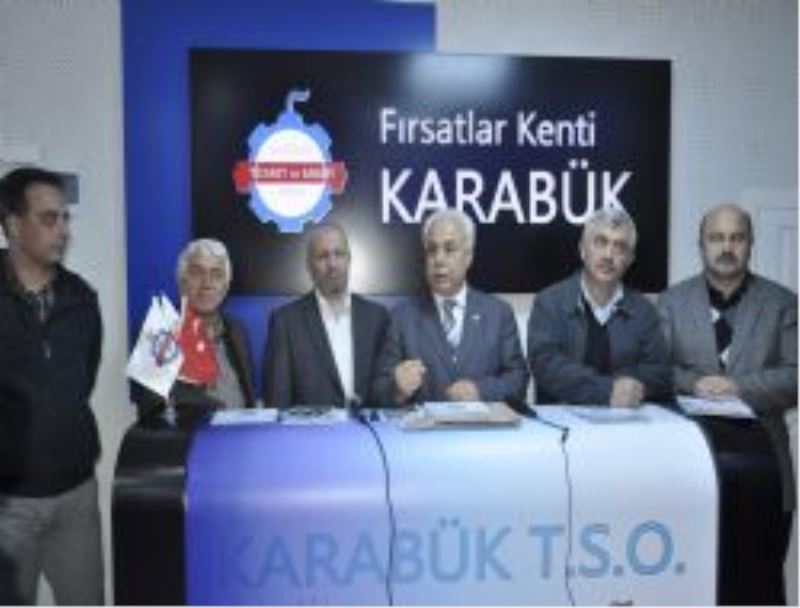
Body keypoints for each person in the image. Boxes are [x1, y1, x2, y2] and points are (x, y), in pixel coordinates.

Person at [658, 203, 796, 601]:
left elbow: (795, 376)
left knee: (759, 586)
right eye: (716, 238)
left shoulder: (783, 302)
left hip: (765, 469)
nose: (726, 247)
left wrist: (737, 386)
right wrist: (696, 383)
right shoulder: (671, 302)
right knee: (695, 587)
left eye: (737, 238)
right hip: (692, 467)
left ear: (750, 244)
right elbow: (656, 371)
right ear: (700, 245)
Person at [0, 167, 103, 604]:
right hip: (8, 506)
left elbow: (84, 379)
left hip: (75, 495)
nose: (62, 230)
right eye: (48, 218)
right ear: (12, 225)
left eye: (65, 218)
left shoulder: (82, 299)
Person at [373, 209, 528, 406]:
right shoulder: (402, 317)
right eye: (432, 250)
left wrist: (481, 391)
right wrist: (397, 387)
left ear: (468, 257)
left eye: (449, 249)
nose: (439, 259)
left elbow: (518, 380)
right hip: (424, 426)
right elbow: (378, 391)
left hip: (481, 425)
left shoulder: (498, 313)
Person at [527, 207, 670, 406]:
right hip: (562, 418)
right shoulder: (549, 302)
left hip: (626, 420)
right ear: (582, 249)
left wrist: (628, 390)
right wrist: (607, 390)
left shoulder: (644, 311)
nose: (608, 255)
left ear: (630, 260)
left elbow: (659, 372)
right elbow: (545, 365)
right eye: (600, 242)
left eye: (619, 247)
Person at [263, 222, 388, 407]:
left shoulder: (377, 317)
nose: (332, 264)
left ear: (349, 259)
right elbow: (277, 400)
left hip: (366, 426)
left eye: (339, 254)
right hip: (309, 427)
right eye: (322, 256)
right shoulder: (285, 321)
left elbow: (386, 390)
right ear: (309, 266)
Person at [136, 238, 256, 417]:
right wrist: (218, 411)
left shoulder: (236, 330)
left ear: (225, 286)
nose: (207, 284)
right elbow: (151, 402)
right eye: (197, 273)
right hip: (189, 435)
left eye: (216, 274)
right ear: (182, 282)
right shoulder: (160, 331)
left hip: (242, 433)